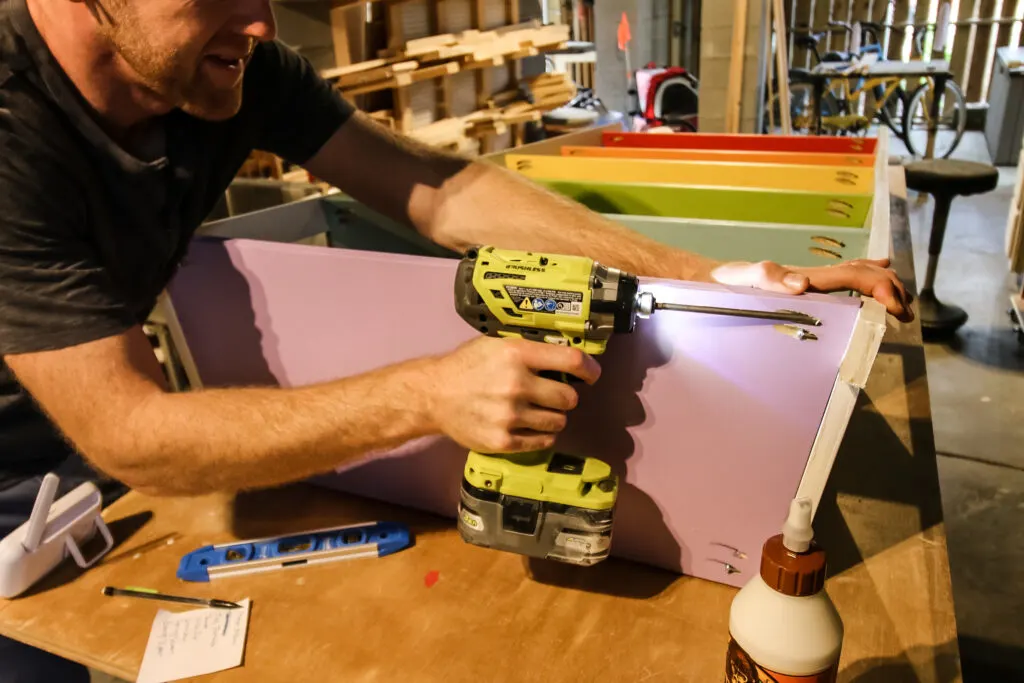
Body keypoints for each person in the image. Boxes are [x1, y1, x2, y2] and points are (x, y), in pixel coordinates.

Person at [0, 0, 912, 679]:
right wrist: (428, 395)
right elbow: (132, 431)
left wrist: (708, 278)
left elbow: (439, 191)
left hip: (110, 460)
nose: (264, 21)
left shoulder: (225, 65)